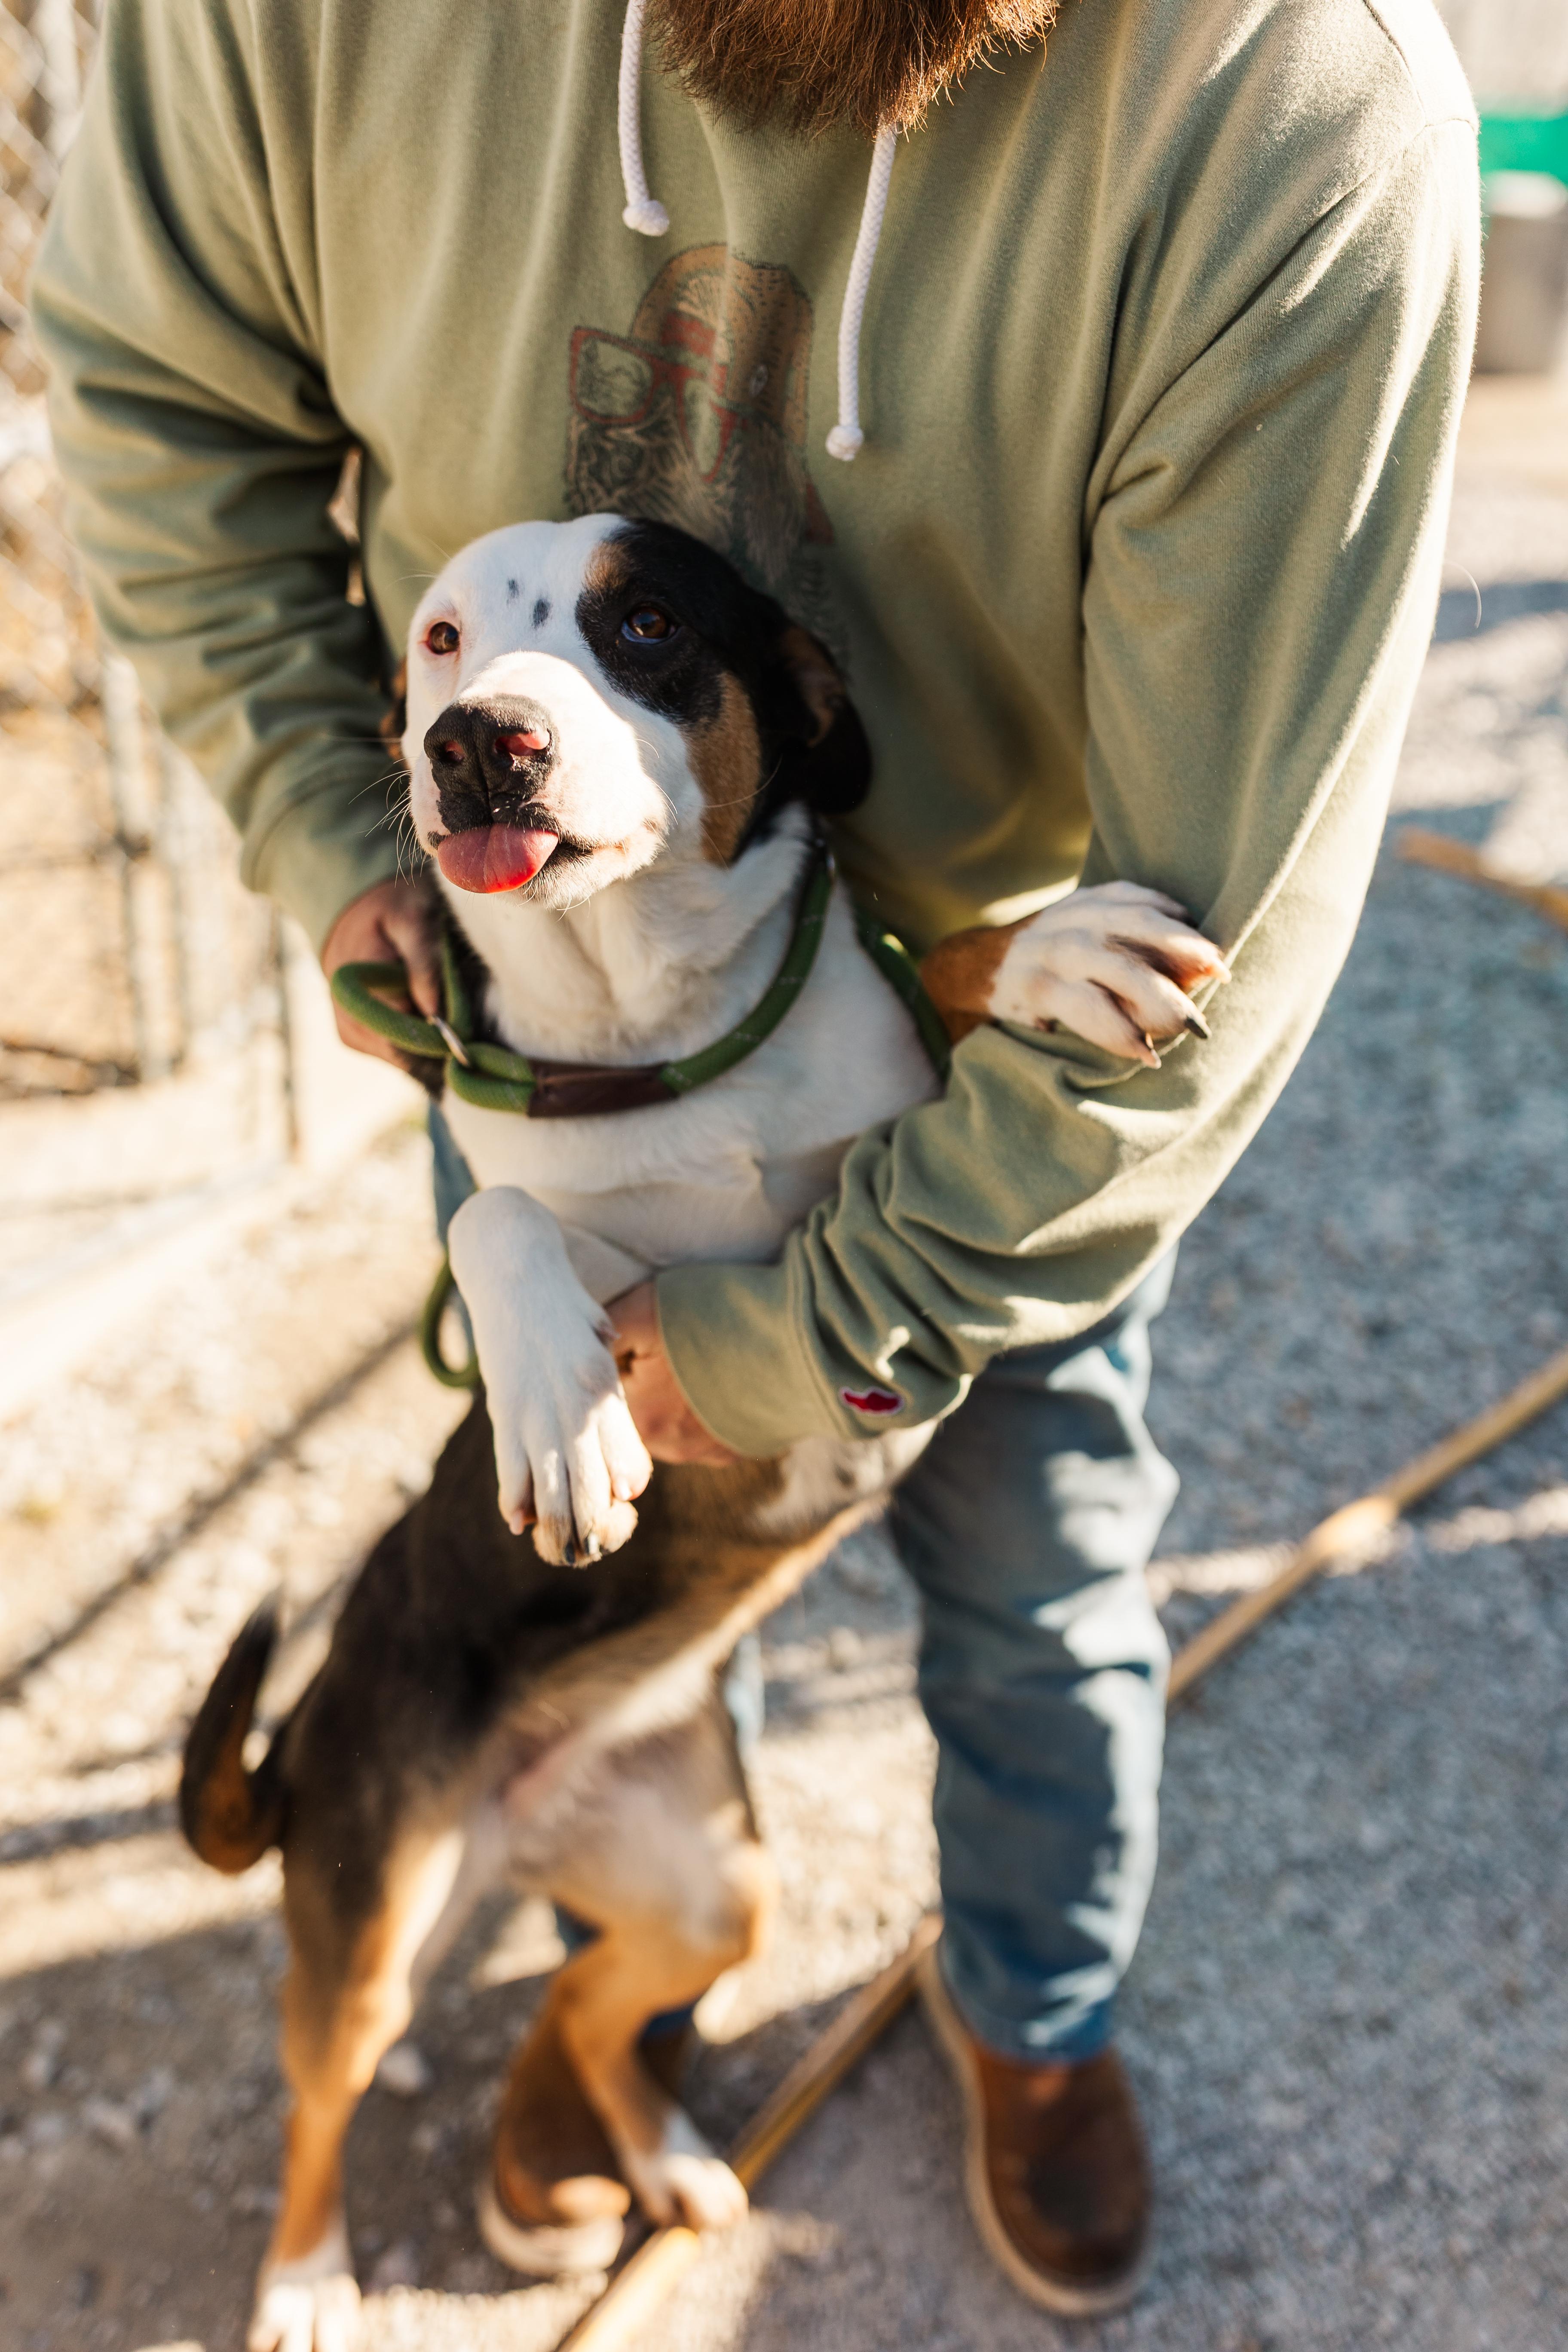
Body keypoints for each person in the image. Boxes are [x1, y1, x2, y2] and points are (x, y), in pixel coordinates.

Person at [32, 0, 1477, 2312]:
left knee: (1044, 1607)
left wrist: (821, 1313)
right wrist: (340, 831)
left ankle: (1035, 2023)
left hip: (1006, 1134)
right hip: (543, 1005)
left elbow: (1225, 918)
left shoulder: (1284, 100)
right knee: (592, 1618)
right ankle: (634, 2010)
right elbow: (143, 399)